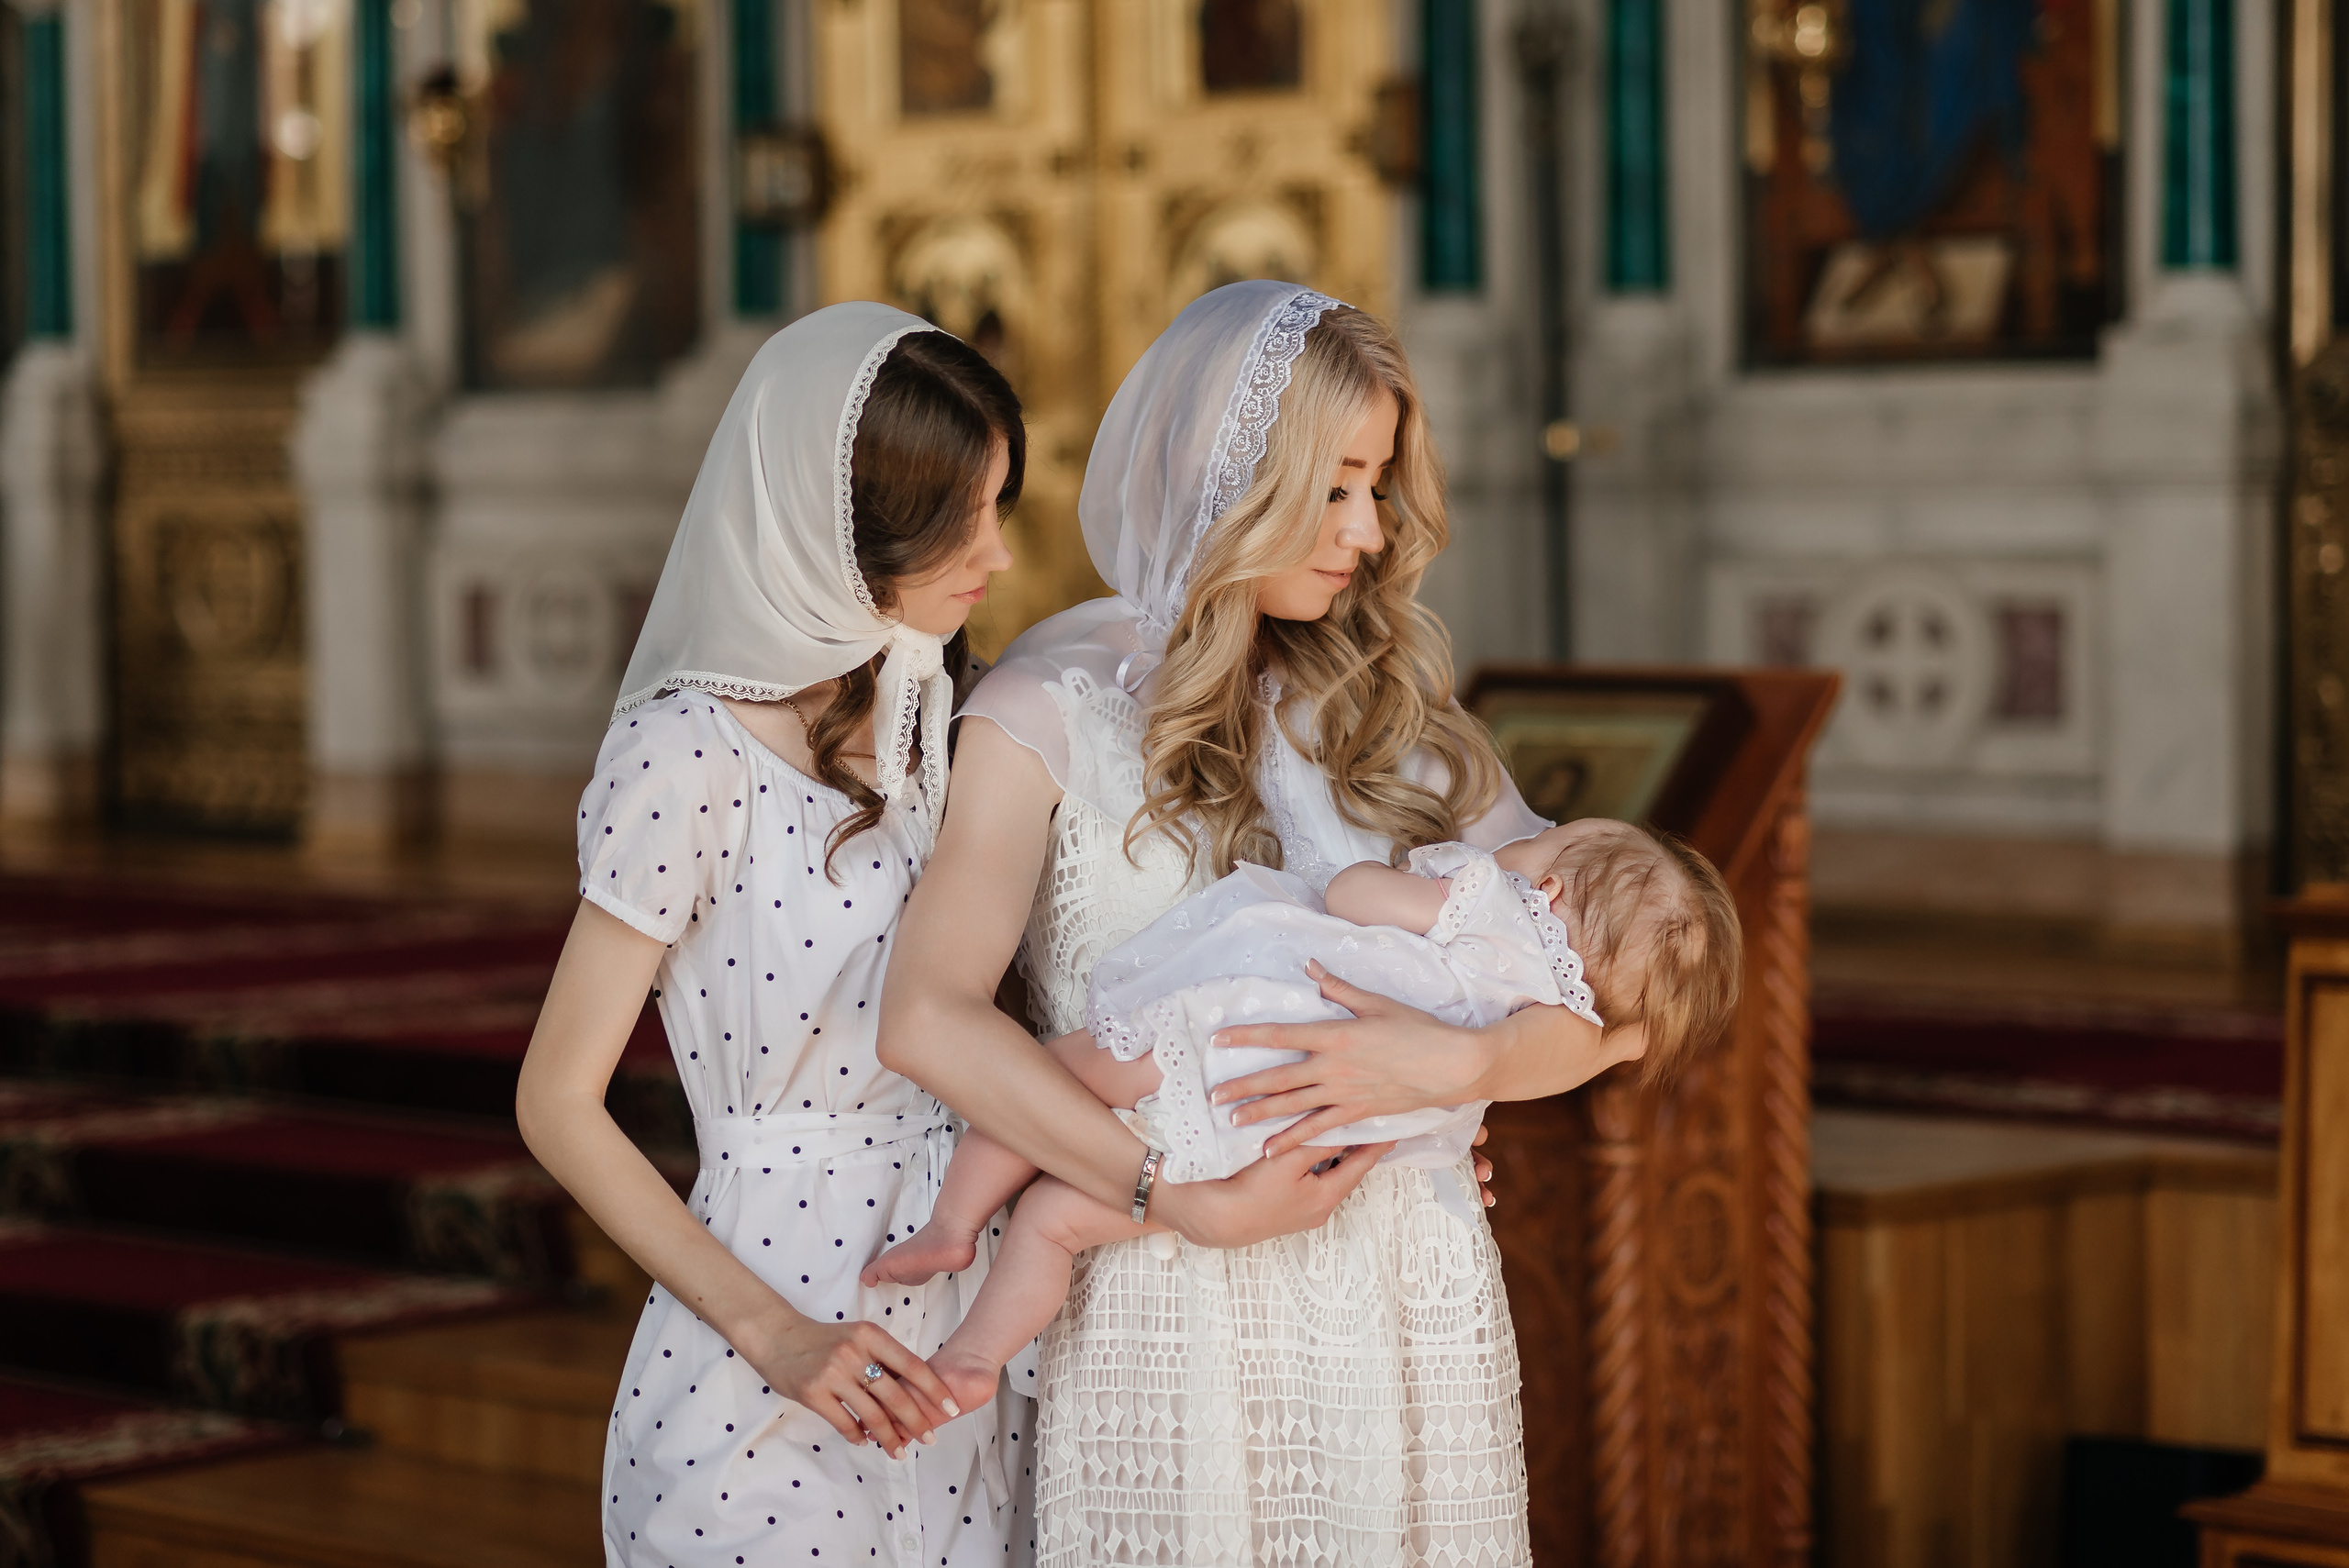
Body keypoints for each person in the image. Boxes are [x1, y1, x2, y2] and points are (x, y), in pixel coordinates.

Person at [878, 280, 1676, 1565]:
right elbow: (927, 1017)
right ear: (1230, 469)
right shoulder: (1045, 704)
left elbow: (1621, 1009)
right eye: (1336, 484)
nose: (1368, 527)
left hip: (1404, 1286)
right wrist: (1172, 1192)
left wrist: (1461, 1061)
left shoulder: (1393, 715)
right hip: (1162, 1279)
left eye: (1381, 485)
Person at [514, 303, 1038, 1567]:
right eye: (962, 516)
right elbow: (555, 1101)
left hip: (972, 1323)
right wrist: (775, 1333)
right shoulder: (686, 755)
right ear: (845, 522)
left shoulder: (950, 719)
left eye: (999, 507)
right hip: (771, 1336)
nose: (1000, 553)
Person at [868, 818, 1740, 1412]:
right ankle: (975, 1358)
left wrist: (1412, 882)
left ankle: (953, 1226)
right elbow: (1605, 1046)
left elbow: (1355, 895)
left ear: (1548, 884)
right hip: (1282, 1155)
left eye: (1546, 832)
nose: (1522, 832)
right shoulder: (1537, 1022)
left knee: (1047, 1078)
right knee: (1058, 1222)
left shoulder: (1487, 901)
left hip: (1232, 1045)